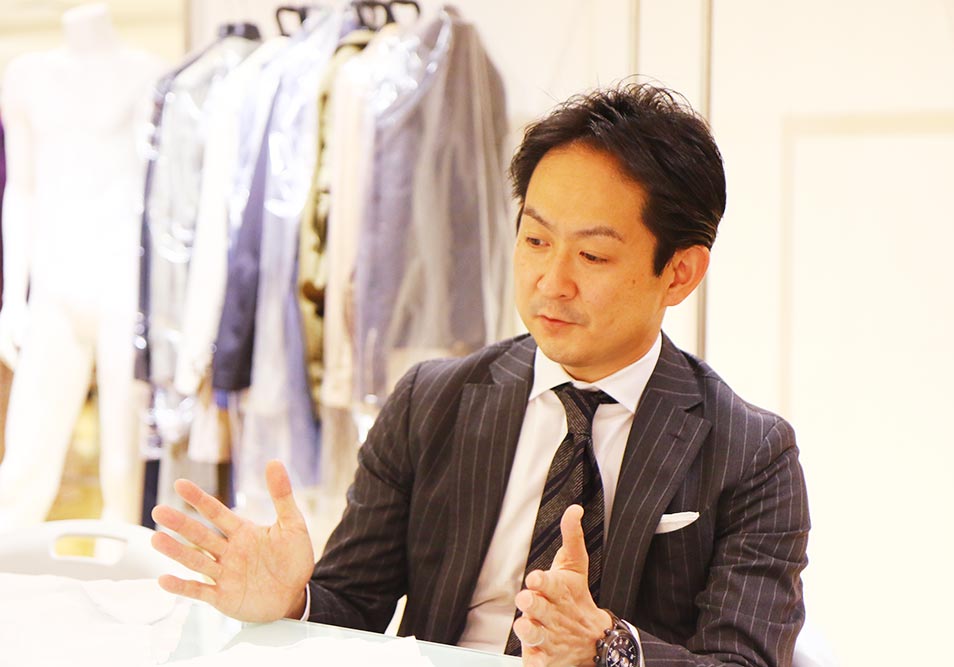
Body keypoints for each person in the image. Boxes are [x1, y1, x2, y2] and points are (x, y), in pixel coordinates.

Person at [151, 83, 810, 667]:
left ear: (680, 273)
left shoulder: (752, 453)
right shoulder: (431, 401)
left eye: (592, 255)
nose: (552, 281)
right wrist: (293, 602)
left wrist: (607, 646)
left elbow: (743, 658)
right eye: (535, 240)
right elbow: (352, 606)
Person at [0, 3, 161, 531]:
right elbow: (20, 190)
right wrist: (13, 296)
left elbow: (158, 196)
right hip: (53, 285)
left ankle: (124, 572)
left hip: (123, 284)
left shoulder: (149, 73)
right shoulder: (25, 76)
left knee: (122, 465)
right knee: (25, 458)